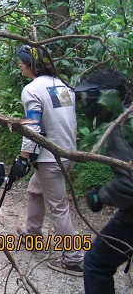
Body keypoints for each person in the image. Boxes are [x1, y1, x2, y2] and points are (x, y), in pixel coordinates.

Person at [13, 44, 83, 275]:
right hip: (67, 152)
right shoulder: (60, 86)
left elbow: (33, 127)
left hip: (50, 158)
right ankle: (32, 234)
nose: (20, 65)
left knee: (58, 207)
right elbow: (62, 120)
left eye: (22, 61)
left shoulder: (32, 89)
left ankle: (74, 258)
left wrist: (23, 158)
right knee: (35, 191)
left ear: (30, 65)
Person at [75, 69, 133, 294]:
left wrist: (101, 196)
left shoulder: (123, 128)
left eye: (90, 97)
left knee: (96, 262)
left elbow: (130, 184)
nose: (86, 103)